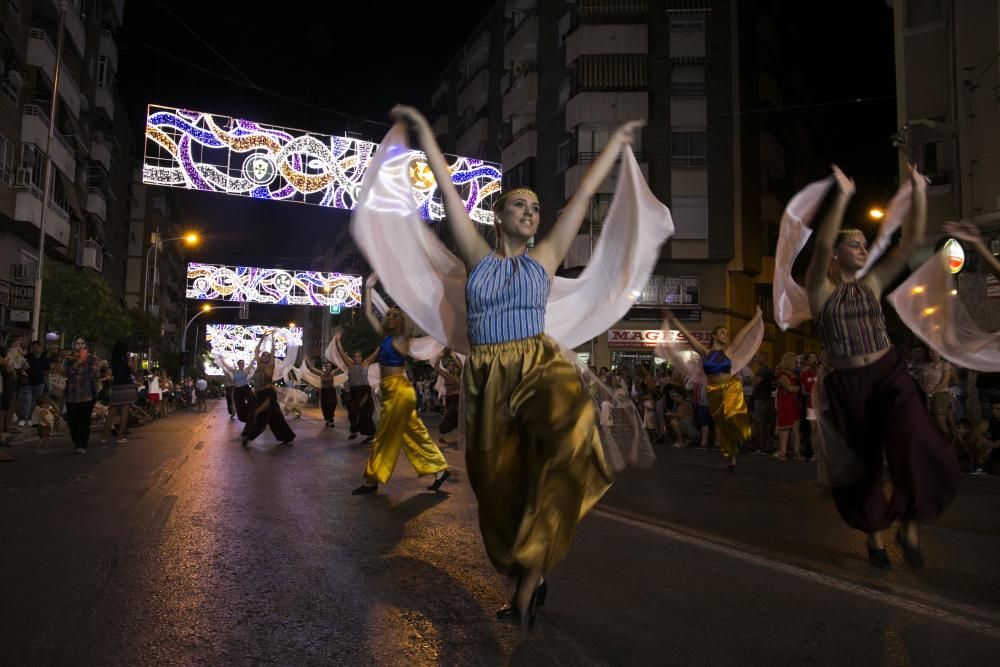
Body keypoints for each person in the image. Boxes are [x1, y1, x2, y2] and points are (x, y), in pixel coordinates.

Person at [387, 105, 648, 628]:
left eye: (535, 207)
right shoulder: (478, 259)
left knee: (565, 444)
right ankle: (531, 566)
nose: (531, 212)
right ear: (499, 216)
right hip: (486, 378)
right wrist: (422, 131)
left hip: (537, 366)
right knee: (496, 486)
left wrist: (615, 145)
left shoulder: (546, 256)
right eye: (521, 205)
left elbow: (579, 202)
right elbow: (447, 190)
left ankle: (529, 580)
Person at [804, 164, 957, 569]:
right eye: (854, 243)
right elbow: (820, 245)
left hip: (888, 373)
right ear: (837, 255)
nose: (861, 248)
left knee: (914, 437)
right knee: (862, 464)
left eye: (863, 243)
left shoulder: (871, 284)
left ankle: (909, 521)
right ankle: (875, 538)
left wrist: (919, 190)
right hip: (847, 384)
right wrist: (843, 196)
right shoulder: (819, 290)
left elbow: (908, 243)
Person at [352, 274, 450, 495]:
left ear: (402, 321)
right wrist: (368, 289)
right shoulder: (386, 338)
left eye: (394, 316)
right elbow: (368, 313)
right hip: (392, 391)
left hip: (399, 391)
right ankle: (439, 470)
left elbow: (409, 312)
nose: (389, 318)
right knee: (414, 433)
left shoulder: (402, 339)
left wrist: (404, 281)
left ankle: (371, 479)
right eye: (387, 315)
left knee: (384, 435)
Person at [663, 310, 761, 472]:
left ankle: (744, 435)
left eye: (727, 333)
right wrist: (673, 319)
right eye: (722, 332)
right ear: (714, 335)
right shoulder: (705, 352)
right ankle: (732, 458)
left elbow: (743, 333)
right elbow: (688, 336)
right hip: (713, 391)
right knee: (722, 425)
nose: (725, 335)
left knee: (732, 414)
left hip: (731, 387)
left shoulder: (727, 352)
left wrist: (756, 317)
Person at [241, 334, 296, 447]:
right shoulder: (259, 365)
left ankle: (249, 437)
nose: (264, 356)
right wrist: (261, 339)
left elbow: (273, 352)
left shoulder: (270, 366)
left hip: (268, 394)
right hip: (260, 395)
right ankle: (287, 436)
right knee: (275, 417)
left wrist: (273, 339)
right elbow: (256, 351)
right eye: (263, 355)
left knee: (259, 415)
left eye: (267, 355)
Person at [63, 337, 101, 454]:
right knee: (72, 419)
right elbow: (66, 373)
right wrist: (78, 363)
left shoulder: (92, 359)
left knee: (84, 420)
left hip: (87, 394)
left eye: (82, 343)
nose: (80, 345)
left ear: (86, 346)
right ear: (74, 345)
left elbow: (93, 374)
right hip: (72, 394)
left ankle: (82, 444)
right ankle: (76, 439)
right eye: (77, 343)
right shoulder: (68, 359)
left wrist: (77, 374)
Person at [334, 335, 376, 441]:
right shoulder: (350, 364)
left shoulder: (366, 363)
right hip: (354, 392)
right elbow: (341, 352)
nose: (357, 358)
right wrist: (338, 339)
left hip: (364, 391)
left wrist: (385, 340)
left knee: (364, 412)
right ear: (353, 358)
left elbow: (376, 352)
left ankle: (370, 434)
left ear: (362, 357)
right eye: (355, 356)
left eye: (359, 356)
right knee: (352, 412)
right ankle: (354, 431)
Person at [102, 341, 136, 444]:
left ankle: (103, 437)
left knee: (111, 413)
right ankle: (120, 437)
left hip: (116, 387)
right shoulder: (127, 359)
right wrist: (135, 361)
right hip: (127, 386)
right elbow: (133, 371)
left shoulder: (113, 360)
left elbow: (111, 373)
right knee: (124, 412)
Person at [433, 349, 462, 444]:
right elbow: (436, 367)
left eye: (453, 365)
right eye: (450, 365)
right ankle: (443, 435)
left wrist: (454, 357)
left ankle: (445, 433)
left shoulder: (457, 375)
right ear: (447, 367)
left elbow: (460, 366)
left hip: (457, 399)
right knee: (451, 417)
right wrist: (439, 356)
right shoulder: (446, 375)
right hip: (449, 399)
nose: (451, 366)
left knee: (452, 417)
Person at [305, 359, 339, 427]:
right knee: (325, 406)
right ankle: (327, 420)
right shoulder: (321, 373)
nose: (327, 367)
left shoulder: (332, 373)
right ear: (325, 367)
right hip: (324, 391)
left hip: (331, 391)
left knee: (332, 404)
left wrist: (341, 358)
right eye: (326, 366)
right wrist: (307, 361)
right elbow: (311, 369)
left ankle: (330, 419)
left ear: (331, 367)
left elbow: (340, 367)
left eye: (329, 366)